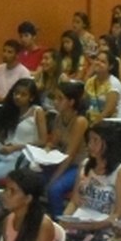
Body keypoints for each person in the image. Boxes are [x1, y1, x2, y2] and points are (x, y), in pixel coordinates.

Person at [0, 78, 48, 227]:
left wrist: (16, 147)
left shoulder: (37, 112)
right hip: (3, 151)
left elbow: (43, 140)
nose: (17, 97)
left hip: (22, 154)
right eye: (16, 93)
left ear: (31, 97)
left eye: (23, 94)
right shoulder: (9, 110)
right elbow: (5, 134)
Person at [43, 82, 89, 217]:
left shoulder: (80, 121)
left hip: (78, 165)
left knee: (54, 189)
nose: (55, 102)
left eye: (60, 98)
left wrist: (54, 178)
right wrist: (46, 149)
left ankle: (60, 222)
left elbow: (70, 154)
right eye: (55, 98)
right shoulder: (58, 117)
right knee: (34, 178)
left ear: (71, 102)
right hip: (62, 160)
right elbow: (53, 142)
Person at [0, 39, 33, 104]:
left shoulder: (24, 72)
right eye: (4, 51)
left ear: (17, 55)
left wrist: (3, 100)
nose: (5, 54)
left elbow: (23, 97)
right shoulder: (0, 68)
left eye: (9, 52)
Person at [84, 50, 121, 124]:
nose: (98, 63)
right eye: (97, 60)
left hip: (111, 124)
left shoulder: (113, 83)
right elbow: (84, 104)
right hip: (92, 121)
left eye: (103, 62)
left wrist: (91, 126)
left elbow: (108, 112)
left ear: (110, 67)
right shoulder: (90, 82)